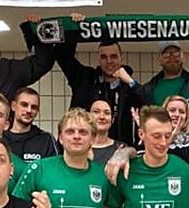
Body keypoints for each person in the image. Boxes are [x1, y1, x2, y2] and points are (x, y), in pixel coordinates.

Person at [56, 15, 147, 145]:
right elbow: (63, 57)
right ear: (98, 59)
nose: (109, 61)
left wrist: (130, 82)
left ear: (121, 58)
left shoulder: (130, 88)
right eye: (104, 57)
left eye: (113, 56)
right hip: (85, 148)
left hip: (120, 150)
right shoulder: (85, 79)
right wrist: (74, 27)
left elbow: (149, 104)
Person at [4, 87, 59, 162]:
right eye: (24, 105)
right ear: (13, 106)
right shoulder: (1, 138)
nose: (29, 110)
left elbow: (54, 167)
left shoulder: (46, 140)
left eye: (34, 107)